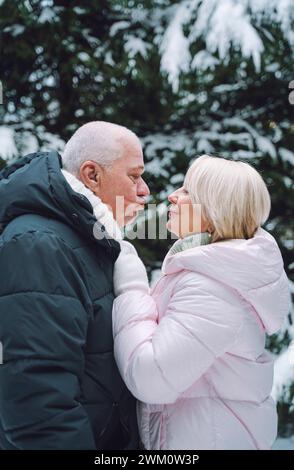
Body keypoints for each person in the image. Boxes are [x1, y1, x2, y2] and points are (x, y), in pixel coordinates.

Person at [112, 154, 291, 450]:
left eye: (186, 191)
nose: (172, 196)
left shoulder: (214, 288)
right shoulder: (215, 273)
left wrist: (131, 289)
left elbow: (152, 377)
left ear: (212, 210)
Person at [0, 121, 149, 449]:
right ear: (92, 175)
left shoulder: (91, 238)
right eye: (134, 176)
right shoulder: (39, 244)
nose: (144, 190)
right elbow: (37, 399)